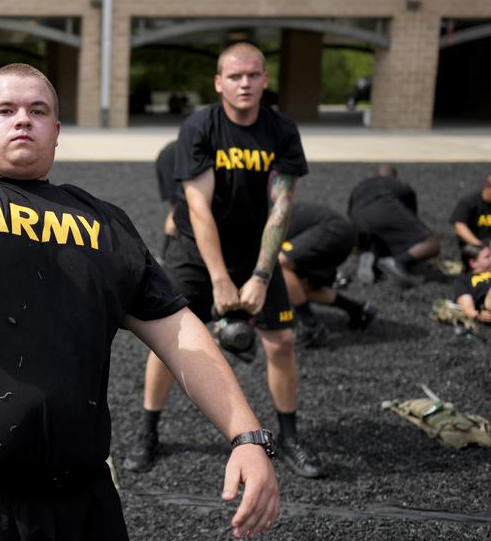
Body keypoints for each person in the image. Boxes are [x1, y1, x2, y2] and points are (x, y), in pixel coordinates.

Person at [0, 0, 279, 538]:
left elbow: (181, 334)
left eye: (37, 109)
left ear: (57, 130)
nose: (22, 118)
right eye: (5, 110)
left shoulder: (107, 224)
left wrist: (246, 434)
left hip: (75, 504)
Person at [124, 42, 326, 479]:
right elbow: (198, 209)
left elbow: (281, 208)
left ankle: (289, 437)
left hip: (254, 251)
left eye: (253, 75)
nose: (245, 83)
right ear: (219, 83)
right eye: (235, 76)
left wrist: (260, 274)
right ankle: (148, 431)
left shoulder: (282, 130)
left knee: (283, 342)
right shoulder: (199, 127)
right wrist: (219, 279)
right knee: (168, 340)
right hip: (195, 251)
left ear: (265, 80)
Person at [279, 201, 377, 348]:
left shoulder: (254, 220)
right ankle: (359, 311)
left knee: (280, 263)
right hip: (336, 235)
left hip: (330, 230)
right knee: (298, 288)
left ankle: (310, 327)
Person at [347, 164, 439, 287]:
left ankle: (369, 257)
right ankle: (396, 262)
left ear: (376, 175)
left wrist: (358, 246)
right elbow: (412, 219)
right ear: (394, 176)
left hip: (358, 217)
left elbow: (350, 213)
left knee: (378, 237)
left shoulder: (360, 186)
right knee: (431, 244)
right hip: (385, 208)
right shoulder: (400, 185)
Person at [449, 174, 491, 264]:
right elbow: (459, 227)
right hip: (476, 246)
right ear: (488, 188)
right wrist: (481, 246)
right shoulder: (469, 202)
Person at [452, 244, 491, 324]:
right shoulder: (464, 280)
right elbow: (468, 309)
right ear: (473, 262)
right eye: (487, 257)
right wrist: (480, 315)